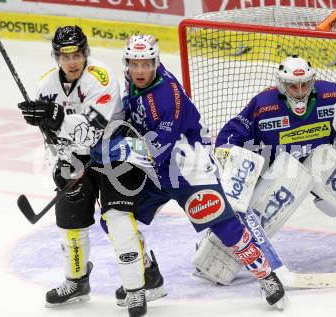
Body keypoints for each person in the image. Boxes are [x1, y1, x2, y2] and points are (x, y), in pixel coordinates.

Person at [91, 34, 287, 317]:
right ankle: (148, 276)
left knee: (225, 225)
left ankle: (266, 276)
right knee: (115, 219)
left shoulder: (166, 95)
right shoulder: (133, 84)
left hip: (187, 169)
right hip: (155, 171)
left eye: (146, 64)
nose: (140, 71)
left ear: (156, 63)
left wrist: (109, 149)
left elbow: (156, 146)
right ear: (127, 64)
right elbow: (132, 122)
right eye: (135, 64)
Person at [191, 55, 336, 286]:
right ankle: (219, 251)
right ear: (281, 84)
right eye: (293, 85)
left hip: (322, 165)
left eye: (304, 84)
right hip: (275, 170)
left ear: (313, 81)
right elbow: (231, 133)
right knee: (262, 209)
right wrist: (231, 155)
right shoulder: (263, 104)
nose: (299, 91)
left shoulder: (331, 95)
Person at [17, 26, 166, 310]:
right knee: (69, 214)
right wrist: (61, 158)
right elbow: (56, 137)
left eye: (77, 54)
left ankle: (141, 284)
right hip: (79, 157)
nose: (71, 62)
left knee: (117, 219)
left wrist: (57, 117)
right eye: (64, 56)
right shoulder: (45, 87)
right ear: (56, 57)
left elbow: (92, 134)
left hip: (117, 152)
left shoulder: (102, 77)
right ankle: (77, 281)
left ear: (86, 53)